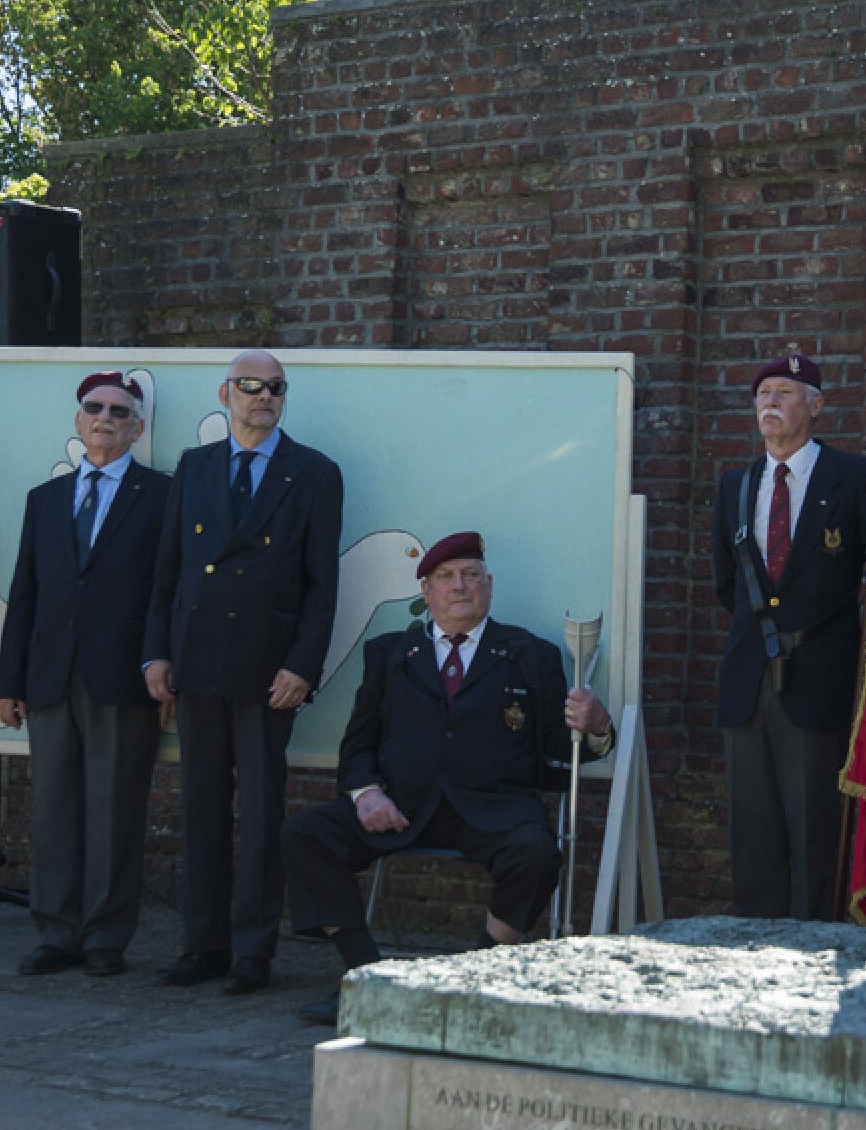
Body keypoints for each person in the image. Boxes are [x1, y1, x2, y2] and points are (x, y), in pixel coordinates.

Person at [282, 531, 613, 1025]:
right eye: (445, 577)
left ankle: (472, 981)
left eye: (470, 575)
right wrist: (367, 794)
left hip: (494, 812)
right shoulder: (391, 654)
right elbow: (358, 745)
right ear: (427, 591)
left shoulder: (529, 654)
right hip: (403, 807)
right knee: (304, 834)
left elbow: (560, 752)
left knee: (539, 854)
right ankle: (367, 977)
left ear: (488, 586)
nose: (459, 586)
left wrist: (599, 728)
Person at [144, 350, 342, 994]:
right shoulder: (195, 465)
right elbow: (168, 571)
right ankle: (203, 945)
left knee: (260, 817)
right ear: (225, 392)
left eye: (276, 387)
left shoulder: (313, 472)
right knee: (200, 811)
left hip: (267, 671)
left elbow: (321, 586)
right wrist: (157, 653)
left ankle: (253, 952)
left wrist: (302, 666)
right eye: (251, 385)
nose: (264, 396)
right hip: (198, 660)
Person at [0, 371, 169, 978]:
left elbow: (166, 591)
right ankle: (56, 934)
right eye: (95, 408)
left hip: (123, 676)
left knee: (114, 811)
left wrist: (160, 661)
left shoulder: (162, 495)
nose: (105, 418)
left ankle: (104, 938)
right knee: (53, 810)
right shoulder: (45, 499)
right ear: (78, 421)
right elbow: (26, 592)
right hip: (49, 676)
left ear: (137, 429)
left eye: (119, 412)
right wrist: (8, 681)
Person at [711, 353, 866, 920]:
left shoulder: (853, 478)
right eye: (762, 393)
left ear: (815, 405)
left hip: (818, 679)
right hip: (749, 679)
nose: (770, 402)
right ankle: (755, 944)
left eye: (784, 391)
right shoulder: (735, 486)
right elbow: (728, 584)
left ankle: (810, 944)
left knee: (816, 832)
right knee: (752, 833)